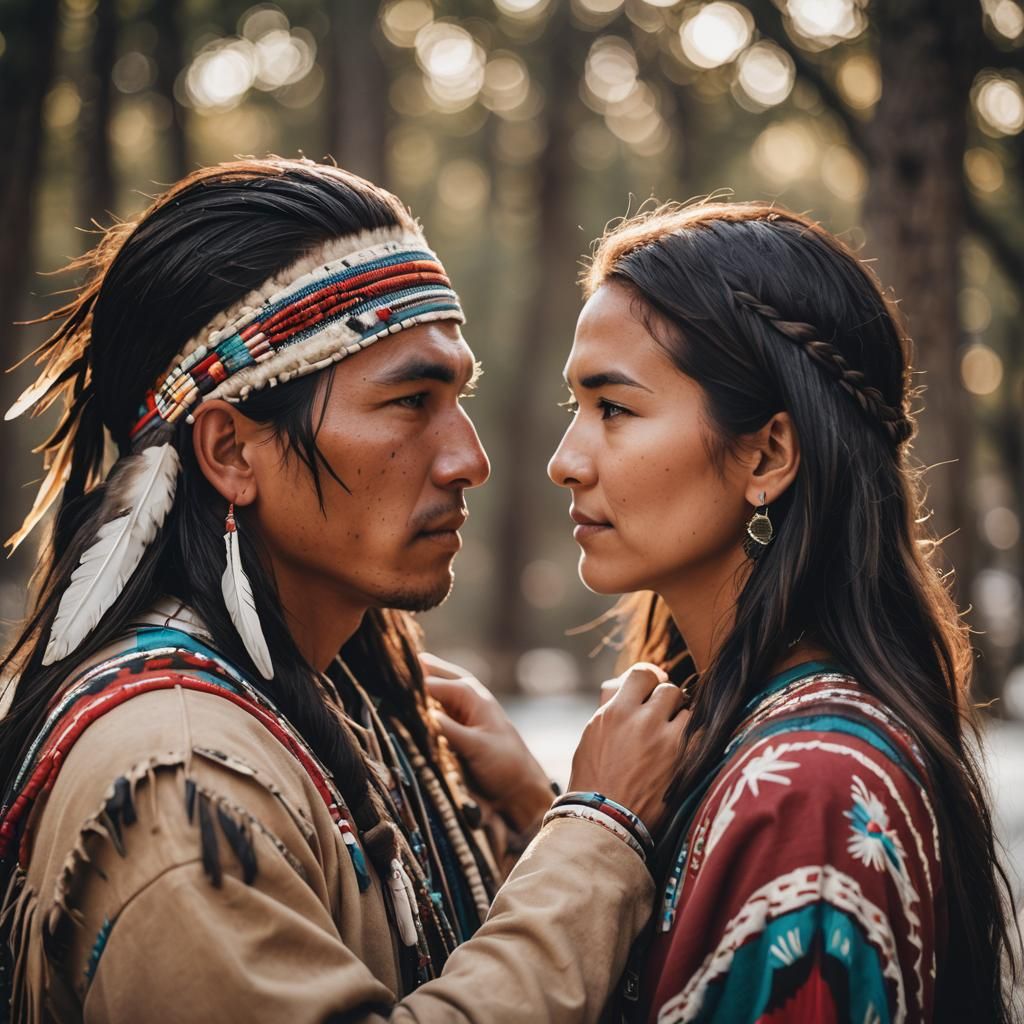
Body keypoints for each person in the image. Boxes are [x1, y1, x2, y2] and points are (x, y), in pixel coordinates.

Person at [0, 157, 689, 1023]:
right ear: (229, 451)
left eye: (458, 396)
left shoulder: (351, 701)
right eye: (409, 402)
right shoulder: (177, 782)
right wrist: (599, 829)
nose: (467, 458)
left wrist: (531, 815)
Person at [440, 201, 1019, 1024]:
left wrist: (591, 820)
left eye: (614, 408)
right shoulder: (754, 736)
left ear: (768, 454)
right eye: (577, 407)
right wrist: (547, 811)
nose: (564, 461)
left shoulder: (810, 796)